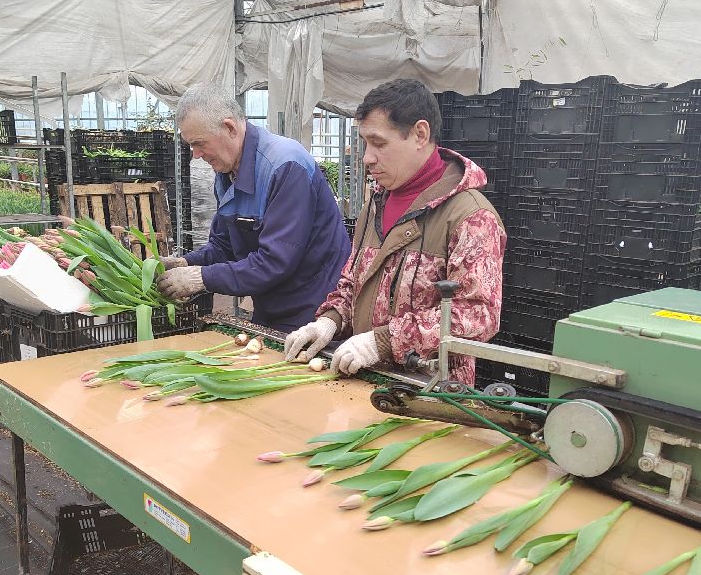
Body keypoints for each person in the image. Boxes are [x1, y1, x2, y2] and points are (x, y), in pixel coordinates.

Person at [283, 79, 505, 384]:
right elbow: (353, 282)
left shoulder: (470, 216)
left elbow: (479, 315)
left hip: (428, 394)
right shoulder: (375, 205)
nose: (367, 157)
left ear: (420, 134)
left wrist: (385, 341)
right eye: (364, 143)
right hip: (365, 379)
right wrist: (329, 321)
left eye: (379, 143)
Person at [156, 84, 351, 332]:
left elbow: (275, 261)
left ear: (229, 127)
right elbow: (224, 246)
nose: (195, 154)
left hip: (313, 308)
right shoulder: (227, 172)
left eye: (199, 143)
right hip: (271, 302)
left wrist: (201, 278)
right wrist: (185, 263)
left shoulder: (286, 166)